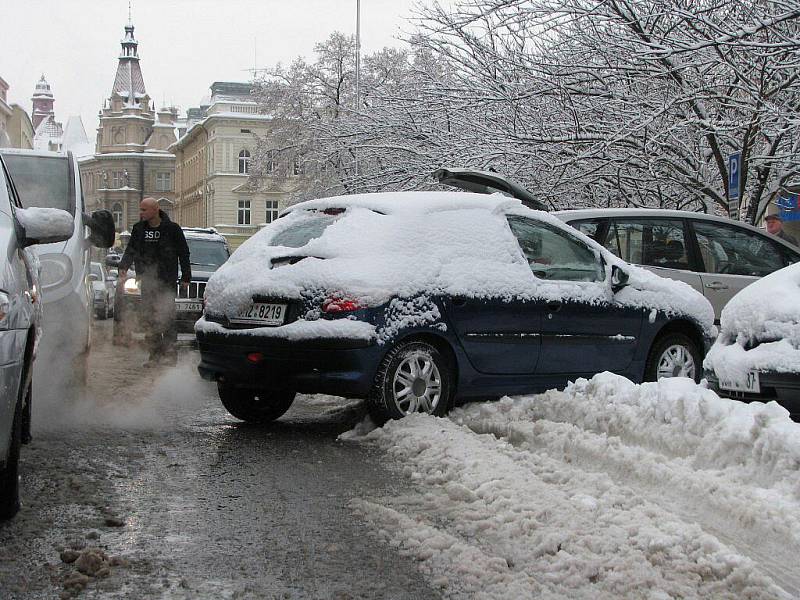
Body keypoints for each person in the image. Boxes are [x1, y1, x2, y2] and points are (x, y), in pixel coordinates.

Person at [118, 198, 190, 366]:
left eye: (144, 209)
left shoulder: (172, 229)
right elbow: (131, 249)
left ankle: (170, 355)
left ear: (155, 210)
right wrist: (124, 266)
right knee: (150, 318)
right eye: (140, 209)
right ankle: (154, 355)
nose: (140, 213)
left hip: (166, 281)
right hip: (147, 281)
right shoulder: (139, 229)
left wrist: (186, 276)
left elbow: (184, 253)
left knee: (167, 318)